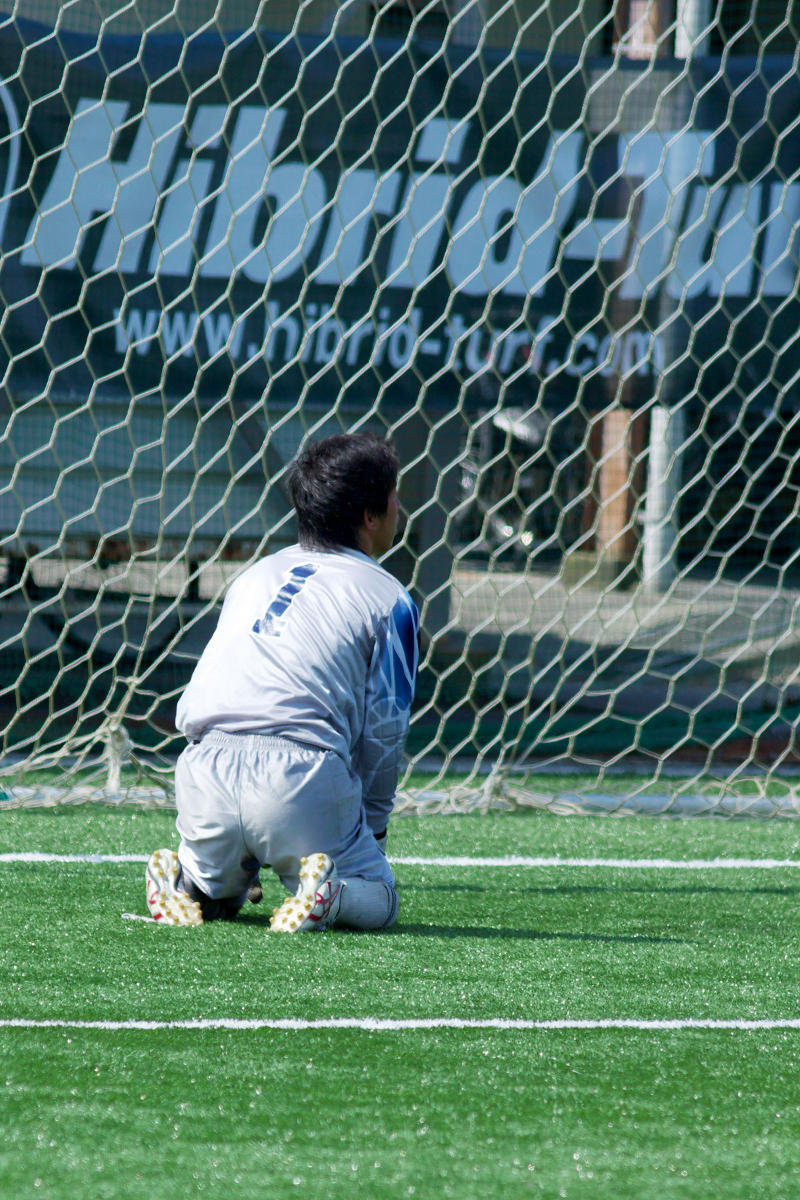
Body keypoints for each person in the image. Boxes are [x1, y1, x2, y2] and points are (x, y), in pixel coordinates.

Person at [145, 431, 419, 932]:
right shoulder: (389, 598)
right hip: (300, 779)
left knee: (219, 901)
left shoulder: (251, 576)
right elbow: (385, 730)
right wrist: (373, 829)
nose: (401, 506)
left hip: (204, 770)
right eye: (395, 494)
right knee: (380, 897)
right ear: (370, 515)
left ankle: (187, 881)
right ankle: (328, 895)